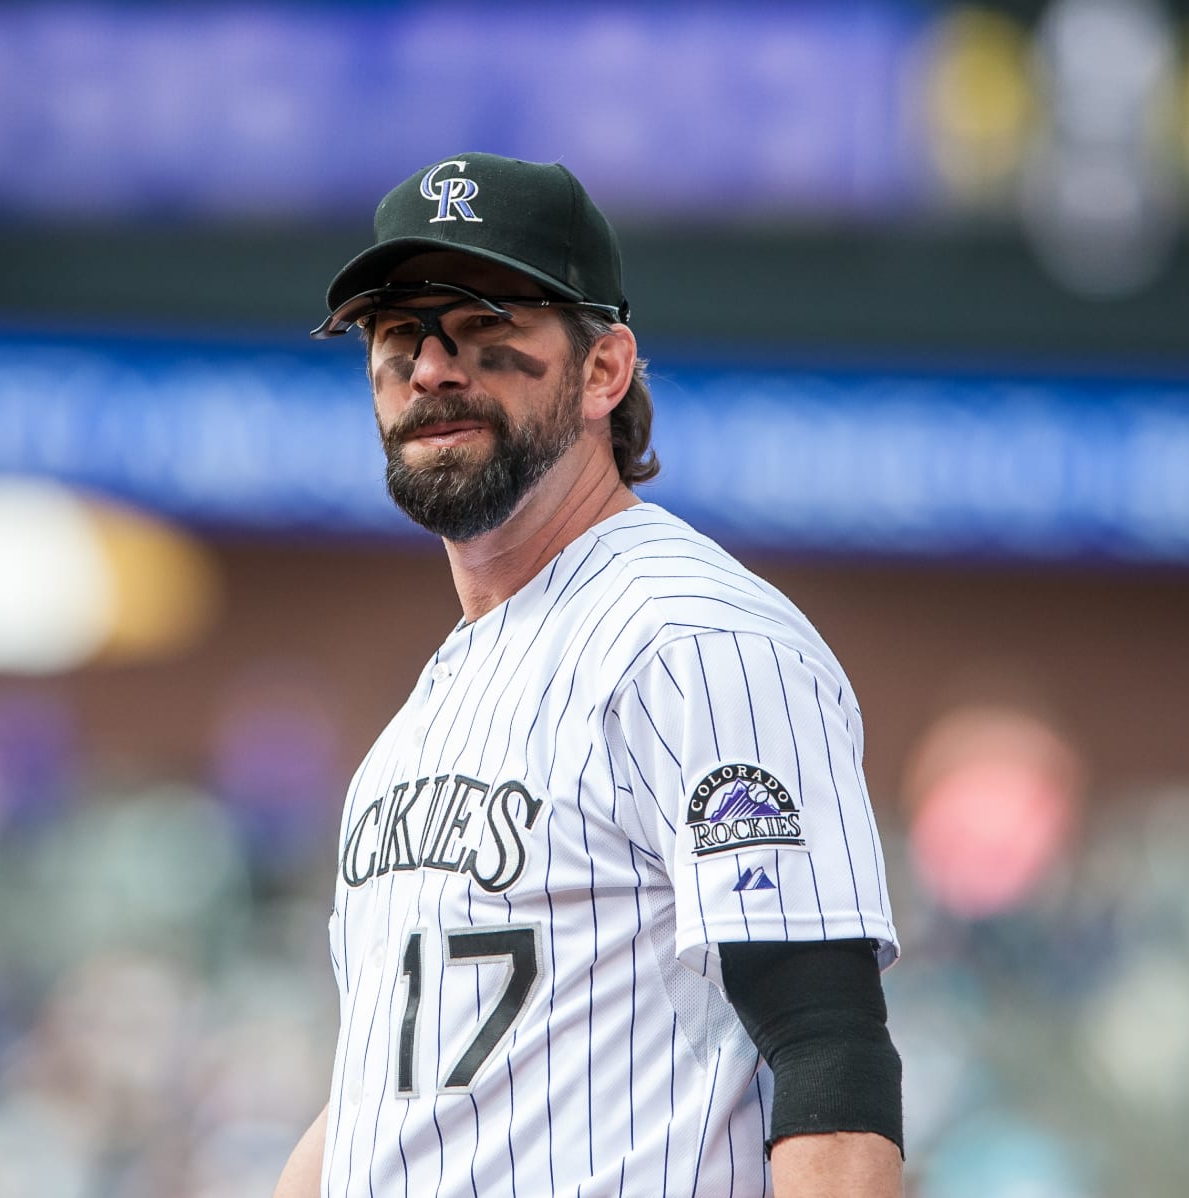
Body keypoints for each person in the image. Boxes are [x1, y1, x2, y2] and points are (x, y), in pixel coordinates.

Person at [274, 153, 902, 1198]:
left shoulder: (695, 640)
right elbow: (381, 1105)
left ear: (605, 370)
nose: (431, 369)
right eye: (397, 337)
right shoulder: (425, 713)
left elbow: (827, 1052)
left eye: (483, 328)